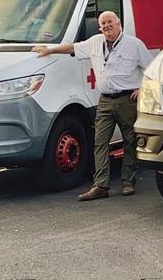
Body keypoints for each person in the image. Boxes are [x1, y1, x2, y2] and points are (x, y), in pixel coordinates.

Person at [33, 11, 152, 201]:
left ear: (119, 23)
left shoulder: (134, 44)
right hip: (104, 100)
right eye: (103, 23)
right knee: (100, 141)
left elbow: (151, 68)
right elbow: (72, 47)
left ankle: (127, 182)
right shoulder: (95, 42)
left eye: (110, 22)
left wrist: (143, 88)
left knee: (130, 141)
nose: (106, 26)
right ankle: (101, 185)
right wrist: (49, 50)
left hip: (126, 99)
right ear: (100, 27)